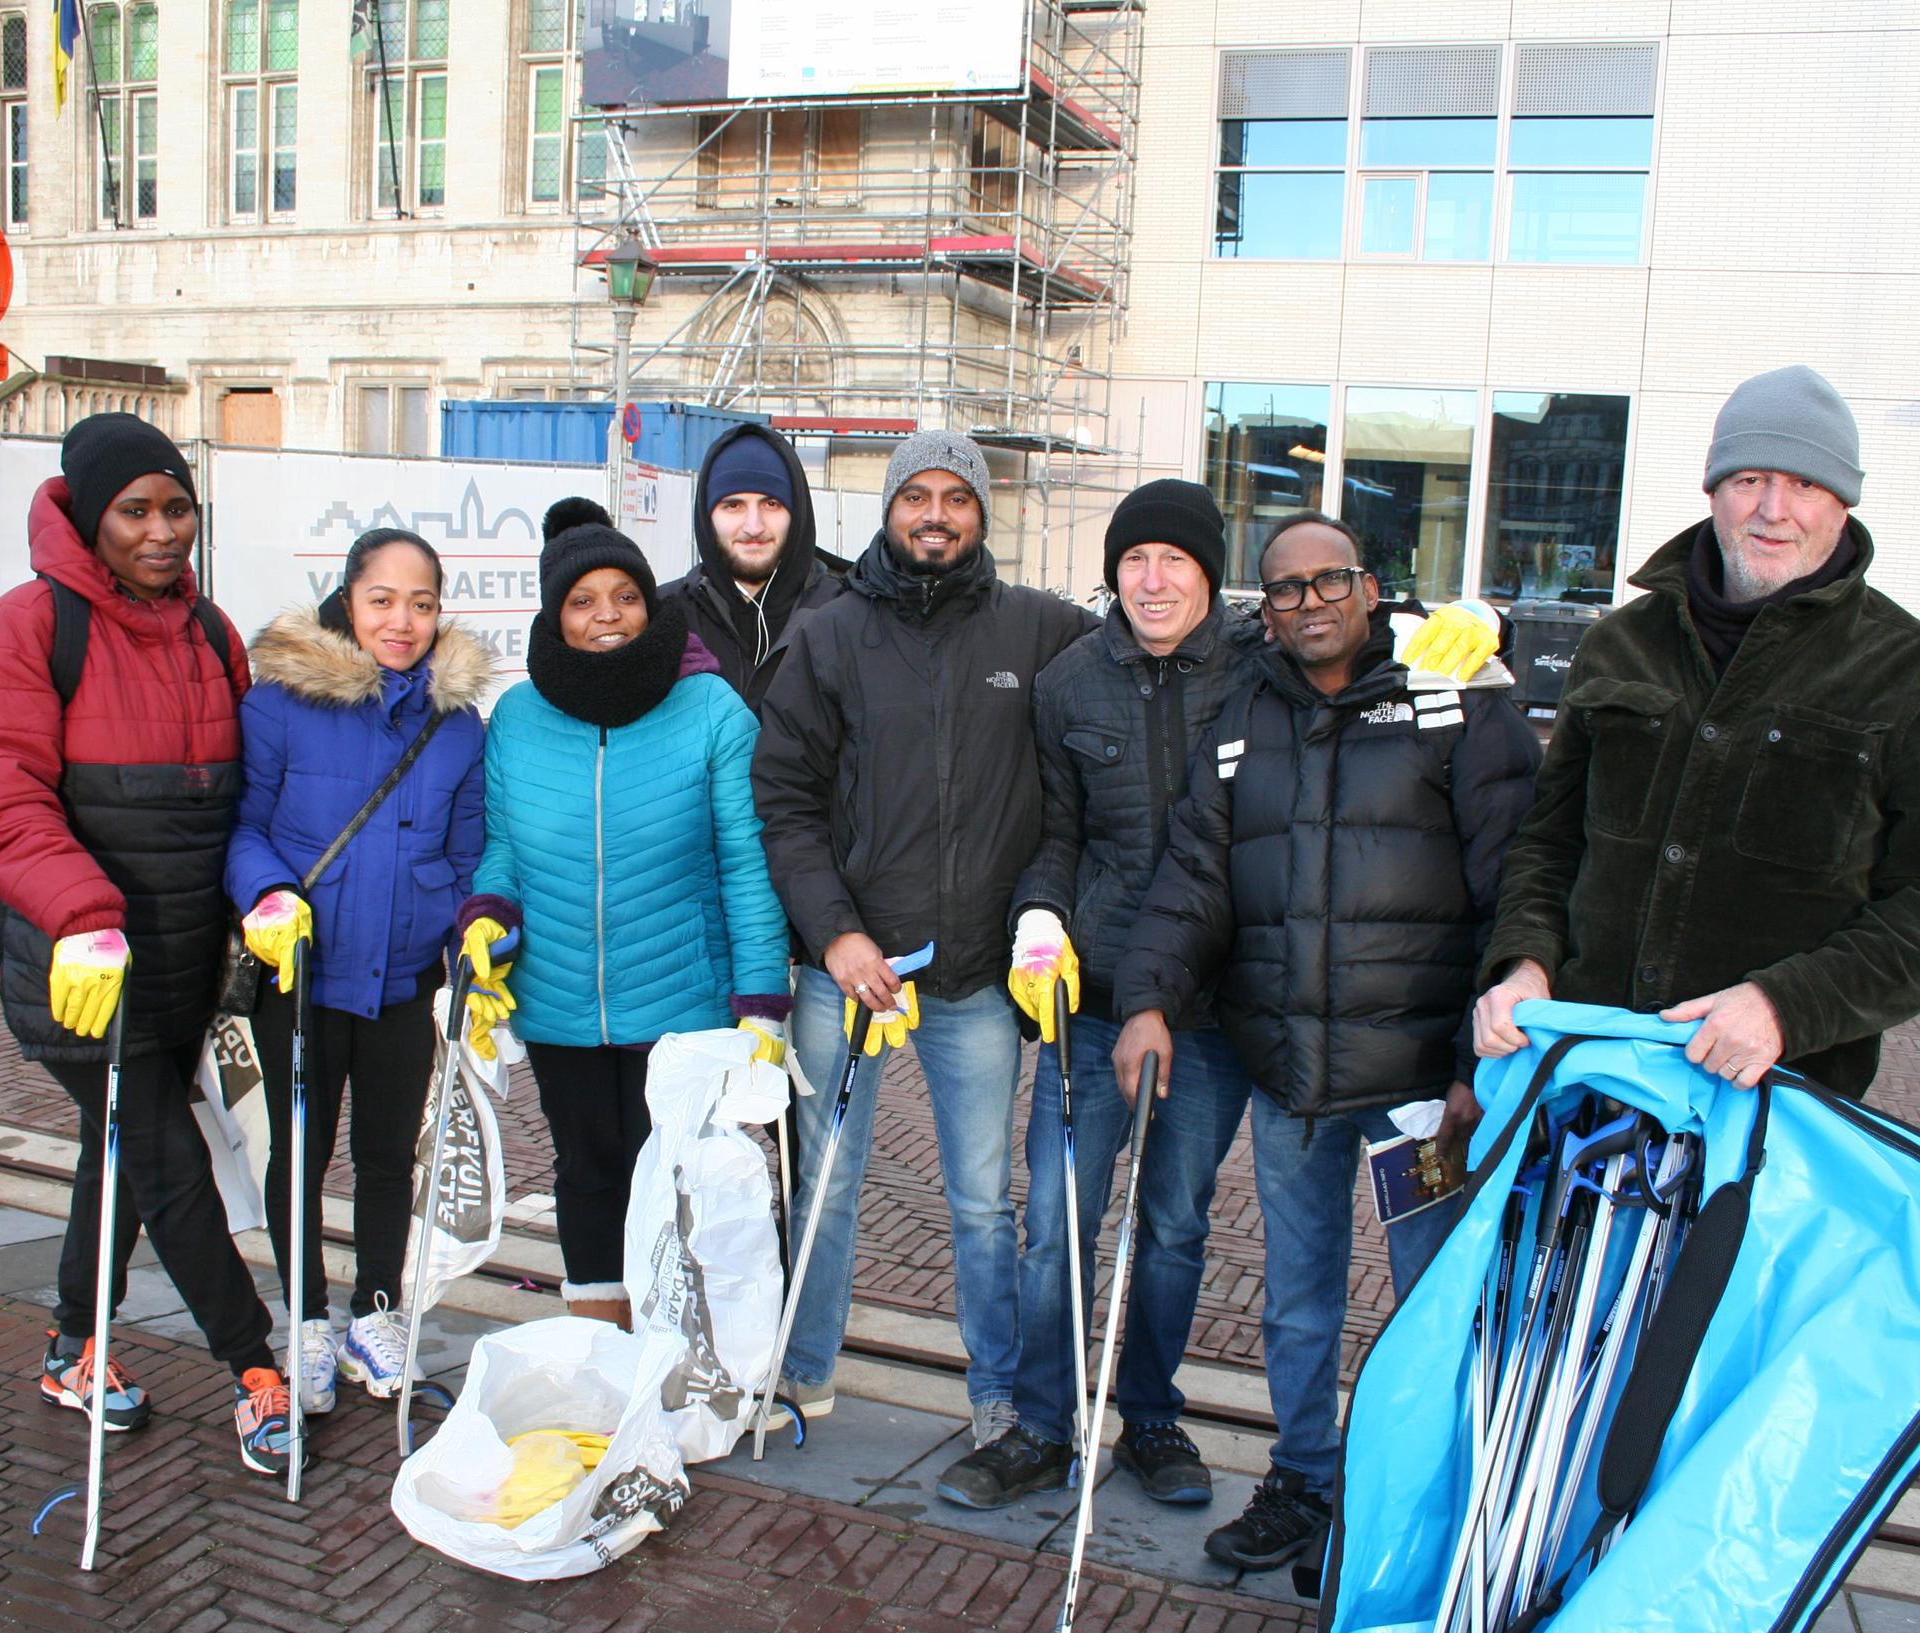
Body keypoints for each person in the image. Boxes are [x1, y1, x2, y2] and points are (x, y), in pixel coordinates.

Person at [940, 487, 1513, 1520]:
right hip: (1098, 1001)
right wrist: (1039, 914)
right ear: (1112, 575)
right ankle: (1040, 1419)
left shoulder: (1262, 673)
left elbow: (1365, 655)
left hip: (1220, 1012)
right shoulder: (1071, 682)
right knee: (1053, 1221)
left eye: (1175, 560)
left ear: (1211, 578)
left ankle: (1153, 1415)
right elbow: (1056, 833)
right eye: (1133, 562)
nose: (1152, 581)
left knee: (1172, 1223)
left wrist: (1456, 636)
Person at [1105, 513, 1538, 1568]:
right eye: (1284, 590)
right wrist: (1147, 997)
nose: (1307, 603)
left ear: (1372, 587)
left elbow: (1517, 876)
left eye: (1326, 581)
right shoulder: (1247, 708)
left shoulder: (1457, 695)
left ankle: (1419, 1505)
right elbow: (1196, 870)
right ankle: (1304, 1478)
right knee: (1297, 1302)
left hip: (1423, 1088)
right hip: (1290, 1072)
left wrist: (1481, 1064)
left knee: (1431, 1303)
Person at [1472, 365, 1920, 1098]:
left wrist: (1788, 1004)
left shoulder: (1912, 672)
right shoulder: (1620, 644)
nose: (1773, 509)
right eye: (1749, 478)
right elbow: (1551, 842)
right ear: (1714, 490)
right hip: (1588, 1072)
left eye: (1806, 485)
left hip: (1775, 1098)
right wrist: (1524, 962)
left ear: (1842, 504)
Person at [0, 412, 300, 1475]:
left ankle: (70, 1344)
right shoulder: (28, 626)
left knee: (116, 1162)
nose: (161, 532)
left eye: (176, 508)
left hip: (180, 960)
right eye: (135, 510)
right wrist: (82, 917)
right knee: (166, 1160)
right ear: (88, 515)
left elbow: (237, 797)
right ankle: (253, 1368)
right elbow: (0, 798)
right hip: (75, 969)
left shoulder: (212, 633)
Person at [752, 429, 1094, 1459]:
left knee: (981, 1198)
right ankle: (801, 1370)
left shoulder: (1041, 630)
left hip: (979, 976)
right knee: (823, 1180)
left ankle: (995, 1392)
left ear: (982, 513)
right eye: (917, 496)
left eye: (955, 496)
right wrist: (836, 933)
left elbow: (1157, 654)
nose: (935, 513)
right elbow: (785, 801)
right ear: (889, 509)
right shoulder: (826, 633)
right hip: (846, 973)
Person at [456, 524, 790, 1326]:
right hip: (559, 998)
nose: (607, 614)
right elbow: (502, 847)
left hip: (680, 1003)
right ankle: (600, 1354)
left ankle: (675, 1355)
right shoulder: (518, 716)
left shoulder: (710, 709)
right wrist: (487, 918)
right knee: (585, 1169)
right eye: (582, 600)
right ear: (555, 614)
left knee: (673, 1177)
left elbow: (747, 864)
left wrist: (761, 1002)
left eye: (627, 596)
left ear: (650, 605)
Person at [225, 528, 491, 1409]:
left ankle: (375, 1311)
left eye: (422, 602)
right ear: (349, 600)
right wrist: (266, 894)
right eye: (383, 599)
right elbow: (246, 827)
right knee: (297, 1152)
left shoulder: (457, 727)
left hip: (404, 975)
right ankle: (305, 1320)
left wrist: (469, 941)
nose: (402, 620)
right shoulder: (280, 704)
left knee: (386, 1153)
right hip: (302, 969)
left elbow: (466, 854)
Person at [663, 422, 848, 708]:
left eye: (771, 504)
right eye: (733, 505)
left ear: (797, 513)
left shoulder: (846, 613)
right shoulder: (664, 615)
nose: (754, 526)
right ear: (706, 515)